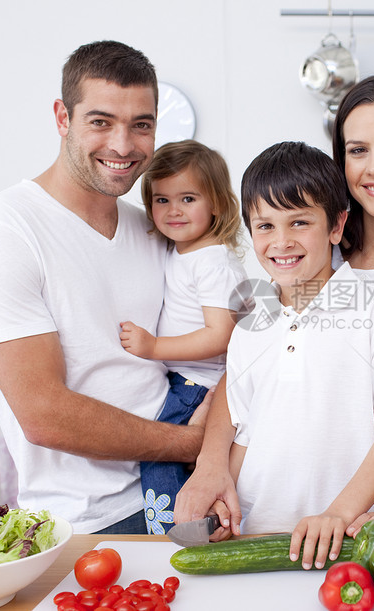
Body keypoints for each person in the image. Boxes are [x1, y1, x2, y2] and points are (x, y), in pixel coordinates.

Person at [175, 74, 374, 537]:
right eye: (358, 150)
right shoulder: (311, 251)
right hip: (292, 513)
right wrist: (213, 465)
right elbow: (252, 372)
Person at [0, 40, 208, 535]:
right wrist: (195, 444)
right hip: (93, 521)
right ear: (62, 118)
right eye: (100, 121)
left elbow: (216, 335)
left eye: (141, 125)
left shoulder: (156, 228)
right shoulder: (1, 233)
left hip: (190, 492)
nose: (123, 145)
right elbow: (45, 415)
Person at [209, 141, 374, 570]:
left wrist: (340, 512)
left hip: (346, 541)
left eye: (299, 222)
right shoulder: (249, 328)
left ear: (336, 225)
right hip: (259, 539)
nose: (281, 241)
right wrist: (225, 504)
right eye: (265, 226)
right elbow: (245, 435)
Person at [118, 140, 249, 535]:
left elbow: (222, 334)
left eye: (188, 198)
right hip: (188, 379)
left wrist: (154, 348)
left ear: (218, 205)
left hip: (199, 382)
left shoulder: (212, 262)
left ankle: (176, 535)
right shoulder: (185, 251)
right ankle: (197, 524)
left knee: (160, 454)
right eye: (161, 200)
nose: (173, 210)